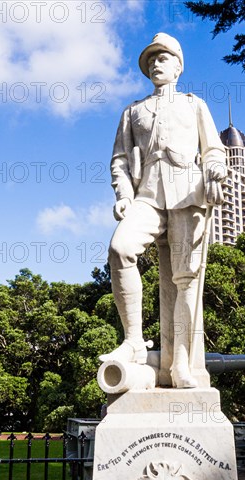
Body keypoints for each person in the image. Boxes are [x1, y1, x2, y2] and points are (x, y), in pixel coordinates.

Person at [100, 33, 226, 388]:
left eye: (164, 58)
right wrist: (123, 193)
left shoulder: (194, 105)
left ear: (178, 66)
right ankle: (134, 340)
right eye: (151, 59)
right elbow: (120, 159)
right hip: (148, 196)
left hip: (188, 193)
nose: (157, 63)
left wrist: (216, 167)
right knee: (120, 249)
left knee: (185, 281)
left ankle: (181, 363)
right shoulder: (133, 111)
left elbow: (213, 149)